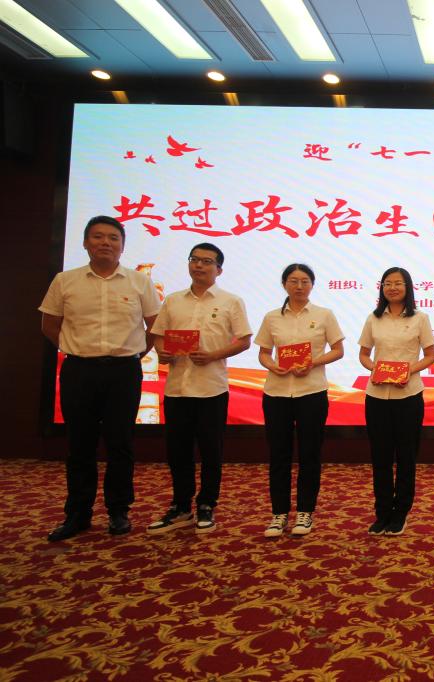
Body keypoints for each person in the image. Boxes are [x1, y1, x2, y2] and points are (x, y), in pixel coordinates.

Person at [40, 215, 161, 541]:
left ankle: (118, 511)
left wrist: (135, 352)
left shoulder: (139, 282)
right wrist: (73, 347)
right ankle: (77, 514)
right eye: (97, 236)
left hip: (124, 372)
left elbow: (155, 325)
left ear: (122, 246)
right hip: (79, 370)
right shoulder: (65, 280)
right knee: (80, 444)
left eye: (113, 237)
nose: (105, 242)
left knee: (120, 443)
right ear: (85, 243)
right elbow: (49, 324)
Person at [147, 243, 252, 535]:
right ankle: (181, 506)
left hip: (211, 389)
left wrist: (214, 355)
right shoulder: (173, 300)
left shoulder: (231, 301)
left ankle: (207, 504)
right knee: (178, 451)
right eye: (195, 259)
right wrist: (162, 352)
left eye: (207, 261)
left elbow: (244, 340)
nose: (199, 265)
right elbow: (158, 336)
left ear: (219, 270)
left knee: (210, 450)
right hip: (177, 388)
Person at [254, 264, 344, 538]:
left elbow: (338, 350)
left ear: (312, 285)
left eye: (305, 281)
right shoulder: (272, 317)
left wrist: (313, 362)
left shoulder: (324, 315)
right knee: (278, 455)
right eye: (293, 281)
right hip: (277, 393)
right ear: (284, 284)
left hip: (312, 392)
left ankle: (305, 511)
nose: (299, 286)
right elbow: (264, 353)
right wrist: (273, 365)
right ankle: (278, 513)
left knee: (309, 454)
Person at [358, 267, 434, 536]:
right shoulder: (373, 318)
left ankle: (401, 512)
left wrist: (408, 371)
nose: (392, 288)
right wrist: (375, 370)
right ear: (382, 288)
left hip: (408, 395)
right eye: (387, 284)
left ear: (407, 287)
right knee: (380, 456)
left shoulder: (420, 318)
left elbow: (430, 356)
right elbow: (364, 355)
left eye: (398, 283)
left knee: (406, 456)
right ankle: (382, 512)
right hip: (377, 395)